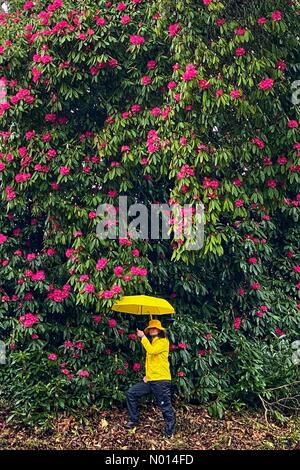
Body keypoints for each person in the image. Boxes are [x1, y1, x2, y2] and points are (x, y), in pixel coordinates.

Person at [125, 319, 176, 438]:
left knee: (165, 405)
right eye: (151, 328)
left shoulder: (163, 341)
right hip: (151, 380)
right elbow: (152, 362)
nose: (152, 329)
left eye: (155, 328)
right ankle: (133, 420)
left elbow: (152, 352)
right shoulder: (152, 342)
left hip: (161, 380)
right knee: (131, 393)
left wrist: (143, 337)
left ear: (159, 330)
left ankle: (169, 432)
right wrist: (147, 376)